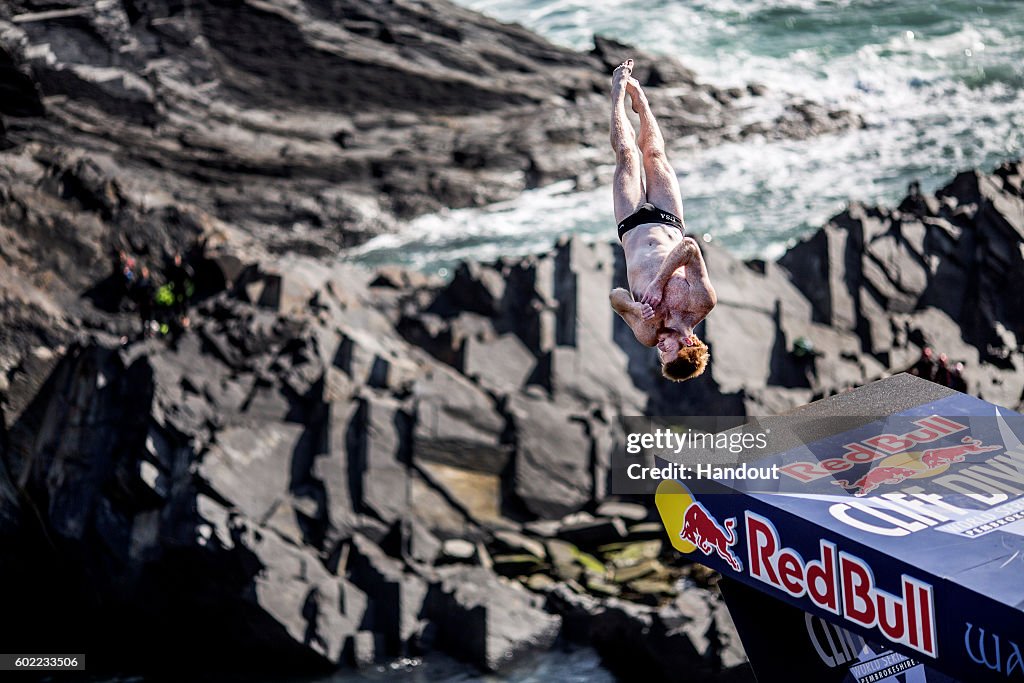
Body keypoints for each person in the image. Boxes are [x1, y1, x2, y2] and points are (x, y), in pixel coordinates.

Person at [607, 59, 716, 382]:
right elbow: (690, 248)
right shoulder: (701, 303)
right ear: (689, 342)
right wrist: (657, 284)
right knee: (654, 154)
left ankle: (616, 92)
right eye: (669, 350)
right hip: (669, 221)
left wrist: (632, 307)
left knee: (626, 154)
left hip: (630, 225)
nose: (660, 347)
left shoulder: (646, 330)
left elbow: (615, 296)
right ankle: (639, 100)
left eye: (661, 353)